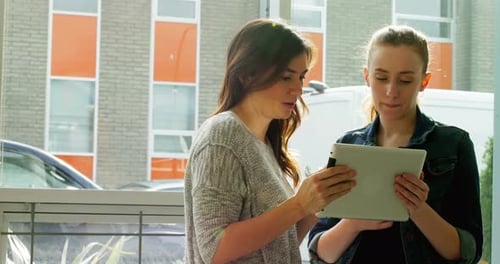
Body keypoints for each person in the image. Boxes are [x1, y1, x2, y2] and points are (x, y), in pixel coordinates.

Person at [183, 18, 357, 264]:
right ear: (248, 75)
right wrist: (298, 204)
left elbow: (277, 246)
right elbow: (214, 248)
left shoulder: (263, 143)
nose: (297, 89)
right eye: (286, 77)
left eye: (301, 77)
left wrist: (315, 204)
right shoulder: (222, 136)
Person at [308, 25, 483, 264]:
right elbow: (320, 253)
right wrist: (355, 222)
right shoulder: (348, 145)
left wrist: (419, 209)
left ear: (424, 81)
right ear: (367, 77)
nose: (391, 91)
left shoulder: (454, 144)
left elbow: (467, 253)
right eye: (381, 78)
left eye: (405, 80)